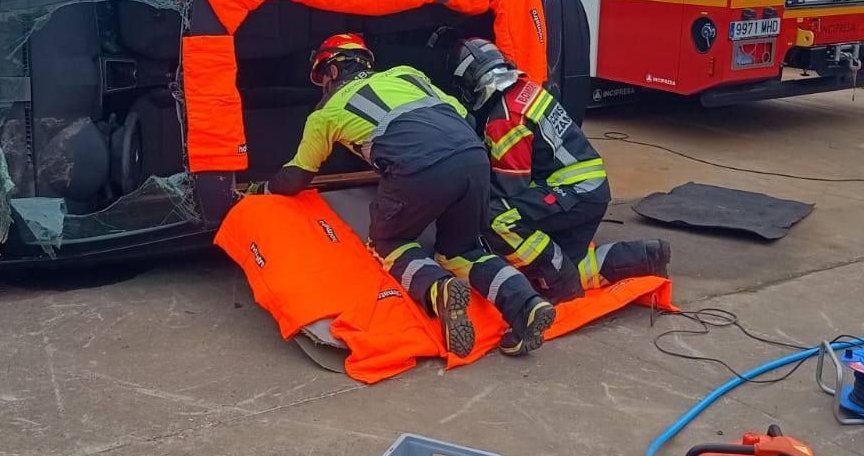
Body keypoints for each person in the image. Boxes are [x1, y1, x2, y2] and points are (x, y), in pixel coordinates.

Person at [248, 33, 557, 358]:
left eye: (322, 77)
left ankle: (437, 288)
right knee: (465, 250)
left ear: (333, 71)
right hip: (474, 158)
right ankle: (527, 305)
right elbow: (464, 116)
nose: (322, 85)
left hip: (418, 167)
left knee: (388, 242)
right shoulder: (407, 74)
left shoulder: (326, 113)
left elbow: (296, 176)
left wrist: (261, 190)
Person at [450, 37, 670, 303]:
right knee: (574, 264)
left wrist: (466, 199)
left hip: (571, 192)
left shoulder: (504, 119)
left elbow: (511, 188)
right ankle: (646, 256)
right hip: (590, 190)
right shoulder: (526, 89)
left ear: (473, 84)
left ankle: (561, 285)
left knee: (496, 217)